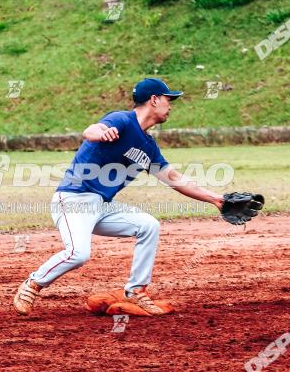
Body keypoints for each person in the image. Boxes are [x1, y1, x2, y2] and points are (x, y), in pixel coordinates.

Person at [13, 78, 225, 316]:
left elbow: (174, 179)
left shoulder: (149, 146)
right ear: (154, 99)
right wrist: (101, 133)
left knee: (148, 226)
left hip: (102, 206)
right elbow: (90, 130)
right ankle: (33, 284)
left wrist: (216, 199)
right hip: (74, 200)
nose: (171, 104)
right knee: (78, 253)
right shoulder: (122, 120)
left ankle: (136, 291)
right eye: (168, 99)